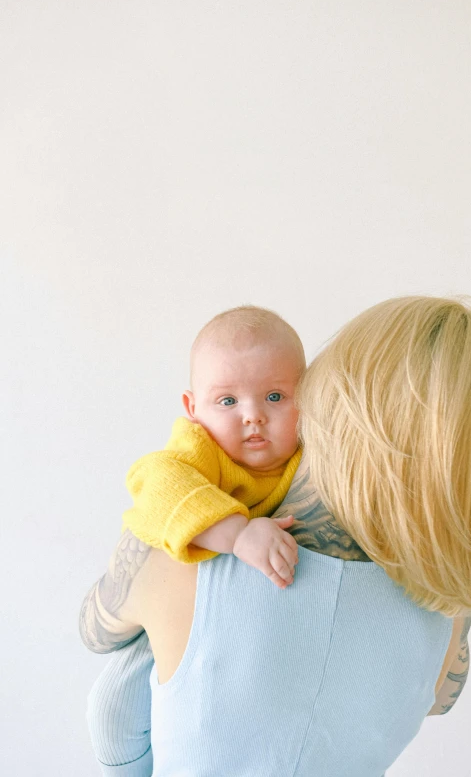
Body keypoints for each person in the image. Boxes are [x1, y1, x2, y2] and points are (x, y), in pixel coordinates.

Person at [80, 296, 471, 777]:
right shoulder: (445, 607)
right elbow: (441, 700)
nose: (253, 416)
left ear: (330, 398)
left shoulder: (177, 558)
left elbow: (95, 635)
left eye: (277, 396)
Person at [84, 305, 306, 774]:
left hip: (235, 635)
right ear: (193, 409)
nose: (253, 417)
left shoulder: (308, 458)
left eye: (274, 396)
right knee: (115, 708)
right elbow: (156, 481)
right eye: (228, 401)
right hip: (157, 619)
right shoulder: (199, 447)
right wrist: (238, 532)